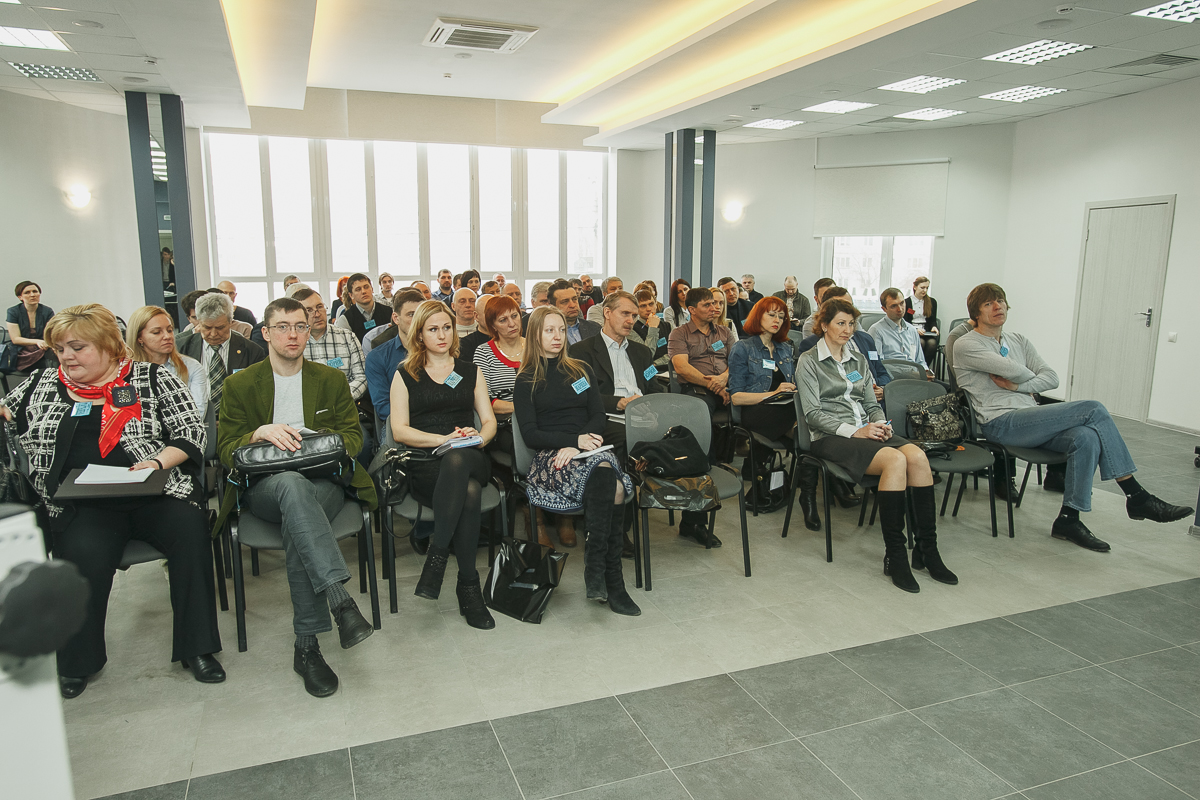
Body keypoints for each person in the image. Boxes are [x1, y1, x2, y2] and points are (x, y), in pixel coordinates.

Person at [1, 304, 223, 698]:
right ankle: (77, 662)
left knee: (190, 532)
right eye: (60, 349)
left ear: (108, 347)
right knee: (79, 552)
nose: (66, 357)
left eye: (77, 348)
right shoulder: (41, 383)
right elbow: (7, 413)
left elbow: (191, 432)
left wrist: (157, 462)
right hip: (82, 503)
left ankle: (198, 649)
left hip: (153, 493)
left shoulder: (151, 377)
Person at [216, 298, 378, 697]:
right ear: (266, 333)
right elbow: (226, 450)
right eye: (283, 327)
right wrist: (258, 433)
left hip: (325, 482)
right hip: (266, 487)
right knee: (291, 486)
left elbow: (354, 438)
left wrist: (317, 443)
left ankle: (307, 646)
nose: (293, 335)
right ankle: (339, 599)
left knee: (299, 512)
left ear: (309, 331)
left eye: (301, 326)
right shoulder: (240, 384)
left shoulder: (330, 379)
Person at [954, 283, 1192, 552]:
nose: (998, 306)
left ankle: (1068, 519)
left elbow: (1051, 378)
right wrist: (1025, 377)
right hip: (1000, 423)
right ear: (976, 313)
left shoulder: (1018, 340)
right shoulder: (967, 344)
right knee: (1093, 408)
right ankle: (1136, 494)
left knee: (1086, 436)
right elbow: (1015, 370)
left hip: (1031, 418)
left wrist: (1018, 386)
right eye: (988, 304)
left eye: (1000, 301)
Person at [798, 298, 955, 593]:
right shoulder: (809, 361)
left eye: (851, 323)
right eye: (840, 323)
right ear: (824, 325)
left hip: (867, 430)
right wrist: (856, 431)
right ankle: (896, 555)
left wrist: (881, 424)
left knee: (918, 457)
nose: (847, 329)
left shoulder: (858, 359)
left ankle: (927, 550)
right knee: (895, 460)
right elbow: (813, 415)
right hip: (832, 437)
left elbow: (871, 403)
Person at [514, 307, 639, 616]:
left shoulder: (580, 369)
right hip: (551, 456)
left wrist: (582, 442)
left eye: (560, 330)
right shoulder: (526, 378)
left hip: (588, 448)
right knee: (614, 487)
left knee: (606, 472)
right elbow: (531, 434)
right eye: (549, 331)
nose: (557, 337)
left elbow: (597, 414)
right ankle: (610, 578)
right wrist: (572, 442)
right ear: (535, 335)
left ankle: (600, 570)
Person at [390, 300, 498, 629]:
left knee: (458, 458)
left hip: (471, 454)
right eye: (433, 329)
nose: (442, 335)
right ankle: (469, 586)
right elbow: (399, 431)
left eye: (446, 328)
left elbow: (489, 421)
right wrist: (443, 439)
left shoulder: (470, 371)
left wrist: (477, 438)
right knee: (468, 492)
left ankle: (437, 556)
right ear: (419, 335)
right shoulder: (405, 374)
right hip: (426, 462)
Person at [667, 286, 735, 547]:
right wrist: (713, 385)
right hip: (698, 390)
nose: (714, 308)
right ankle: (695, 520)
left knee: (760, 408)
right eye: (707, 305)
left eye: (715, 304)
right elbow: (682, 368)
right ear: (691, 310)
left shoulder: (724, 332)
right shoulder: (679, 333)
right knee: (701, 426)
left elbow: (735, 362)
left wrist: (723, 380)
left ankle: (762, 483)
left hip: (726, 388)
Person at [177, 293, 265, 416]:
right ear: (198, 323)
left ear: (231, 322)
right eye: (207, 327)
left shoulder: (252, 351)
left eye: (220, 327)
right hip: (193, 418)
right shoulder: (181, 349)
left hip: (237, 418)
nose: (213, 334)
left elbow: (258, 395)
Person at [127, 305, 208, 420]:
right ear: (139, 338)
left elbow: (197, 414)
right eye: (156, 332)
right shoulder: (126, 372)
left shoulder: (192, 367)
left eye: (170, 330)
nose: (167, 336)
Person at [293, 289, 367, 404]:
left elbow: (361, 377)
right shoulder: (293, 343)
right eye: (309, 310)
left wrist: (340, 398)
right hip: (307, 406)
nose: (317, 314)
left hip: (344, 404)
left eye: (319, 307)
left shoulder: (347, 337)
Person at [366, 289, 423, 431]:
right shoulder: (378, 357)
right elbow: (383, 407)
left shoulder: (437, 351)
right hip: (399, 425)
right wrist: (421, 418)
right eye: (411, 314)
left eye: (421, 314)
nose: (418, 320)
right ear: (396, 318)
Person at [868, 288, 934, 379]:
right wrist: (911, 375)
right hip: (893, 379)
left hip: (915, 377)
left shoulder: (911, 330)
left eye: (902, 303)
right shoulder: (876, 330)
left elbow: (920, 361)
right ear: (884, 309)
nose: (900, 309)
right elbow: (878, 365)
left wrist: (925, 373)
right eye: (893, 306)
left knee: (942, 386)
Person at [6, 280, 56, 371]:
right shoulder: (13, 312)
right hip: (21, 350)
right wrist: (37, 341)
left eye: (35, 291)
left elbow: (50, 334)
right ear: (20, 297)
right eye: (27, 292)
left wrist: (46, 343)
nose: (32, 295)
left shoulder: (47, 311)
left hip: (42, 348)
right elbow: (15, 339)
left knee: (54, 353)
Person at [335, 274, 393, 342]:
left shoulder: (389, 312)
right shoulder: (345, 320)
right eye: (358, 289)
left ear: (372, 289)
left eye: (366, 287)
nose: (363, 291)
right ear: (351, 295)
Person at [627, 288, 671, 369]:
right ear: (636, 309)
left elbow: (675, 353)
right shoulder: (632, 330)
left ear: (656, 304)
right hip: (647, 372)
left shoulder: (667, 326)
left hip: (668, 369)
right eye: (643, 306)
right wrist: (653, 329)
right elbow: (646, 357)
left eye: (651, 304)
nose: (648, 309)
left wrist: (655, 363)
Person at [547, 279, 601, 345]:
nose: (572, 305)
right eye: (565, 302)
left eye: (574, 299)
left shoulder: (594, 328)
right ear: (552, 307)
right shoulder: (547, 333)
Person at [904, 276, 940, 366]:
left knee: (932, 343)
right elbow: (905, 321)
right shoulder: (907, 302)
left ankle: (925, 367)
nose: (925, 290)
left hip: (926, 331)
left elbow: (932, 320)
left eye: (927, 288)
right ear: (915, 287)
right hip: (912, 331)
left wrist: (934, 327)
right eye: (922, 287)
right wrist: (915, 330)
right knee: (921, 343)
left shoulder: (932, 302)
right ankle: (916, 367)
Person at [459, 294, 493, 363]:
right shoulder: (465, 344)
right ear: (476, 316)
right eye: (489, 313)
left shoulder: (507, 339)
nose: (494, 316)